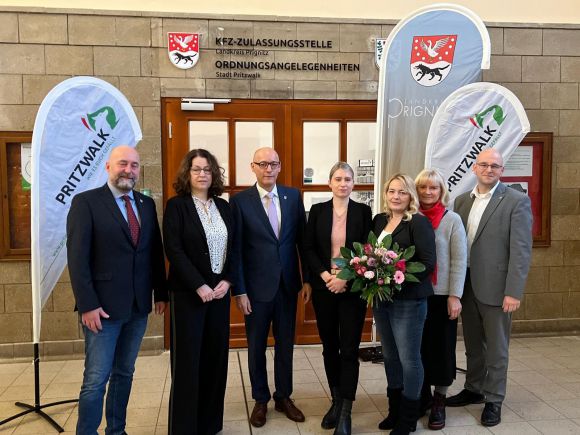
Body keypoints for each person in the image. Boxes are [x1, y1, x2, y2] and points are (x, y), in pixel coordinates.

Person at [66, 145, 167, 435]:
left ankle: (117, 430)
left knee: (125, 373)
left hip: (137, 307)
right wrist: (87, 304)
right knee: (96, 379)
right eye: (123, 164)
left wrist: (160, 292)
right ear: (108, 167)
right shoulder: (86, 203)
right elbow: (77, 257)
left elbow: (153, 252)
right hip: (101, 309)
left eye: (134, 165)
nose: (129, 170)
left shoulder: (146, 205)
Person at [446, 148, 532, 427]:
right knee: (473, 343)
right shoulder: (461, 201)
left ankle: (493, 398)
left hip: (497, 288)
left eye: (495, 166)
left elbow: (521, 251)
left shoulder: (516, 201)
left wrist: (514, 291)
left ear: (501, 170)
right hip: (466, 285)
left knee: (497, 348)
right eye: (484, 164)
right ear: (474, 168)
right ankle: (473, 388)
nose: (489, 169)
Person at [231, 147, 310, 428]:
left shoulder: (292, 197)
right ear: (252, 166)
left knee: (285, 345)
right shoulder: (240, 202)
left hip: (288, 286)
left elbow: (303, 241)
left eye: (273, 164)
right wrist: (239, 290)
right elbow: (236, 251)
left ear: (279, 166)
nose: (268, 169)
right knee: (256, 347)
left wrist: (307, 280)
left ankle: (283, 396)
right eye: (262, 164)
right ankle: (260, 399)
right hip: (255, 290)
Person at [163, 149, 234, 435]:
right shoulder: (176, 205)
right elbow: (174, 250)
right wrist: (198, 284)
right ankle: (184, 428)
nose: (203, 174)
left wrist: (228, 281)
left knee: (215, 360)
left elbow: (235, 247)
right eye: (196, 169)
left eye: (207, 169)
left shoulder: (224, 207)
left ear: (214, 174)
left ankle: (209, 425)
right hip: (188, 295)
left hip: (219, 294)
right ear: (187, 174)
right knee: (187, 363)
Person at [303, 162, 372, 435]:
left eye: (348, 179)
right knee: (329, 346)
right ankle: (336, 400)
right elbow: (307, 247)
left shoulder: (364, 212)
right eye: (338, 178)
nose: (343, 183)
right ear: (329, 183)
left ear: (353, 184)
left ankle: (346, 412)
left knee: (349, 349)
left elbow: (369, 249)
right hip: (324, 288)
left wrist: (345, 276)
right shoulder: (318, 211)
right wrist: (324, 276)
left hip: (352, 289)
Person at [372, 173, 436, 435]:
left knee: (409, 360)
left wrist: (394, 279)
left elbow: (427, 263)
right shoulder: (379, 220)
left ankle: (408, 419)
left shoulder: (418, 223)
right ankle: (394, 410)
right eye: (392, 191)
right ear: (386, 194)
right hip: (382, 300)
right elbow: (370, 255)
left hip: (409, 301)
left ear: (410, 196)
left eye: (402, 192)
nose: (396, 196)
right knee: (390, 357)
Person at [415, 169, 467, 430]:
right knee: (418, 349)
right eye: (423, 187)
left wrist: (455, 296)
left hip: (442, 295)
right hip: (415, 295)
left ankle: (439, 400)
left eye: (433, 188)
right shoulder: (410, 218)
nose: (427, 192)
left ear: (441, 191)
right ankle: (422, 396)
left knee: (443, 349)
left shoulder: (452, 220)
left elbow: (459, 260)